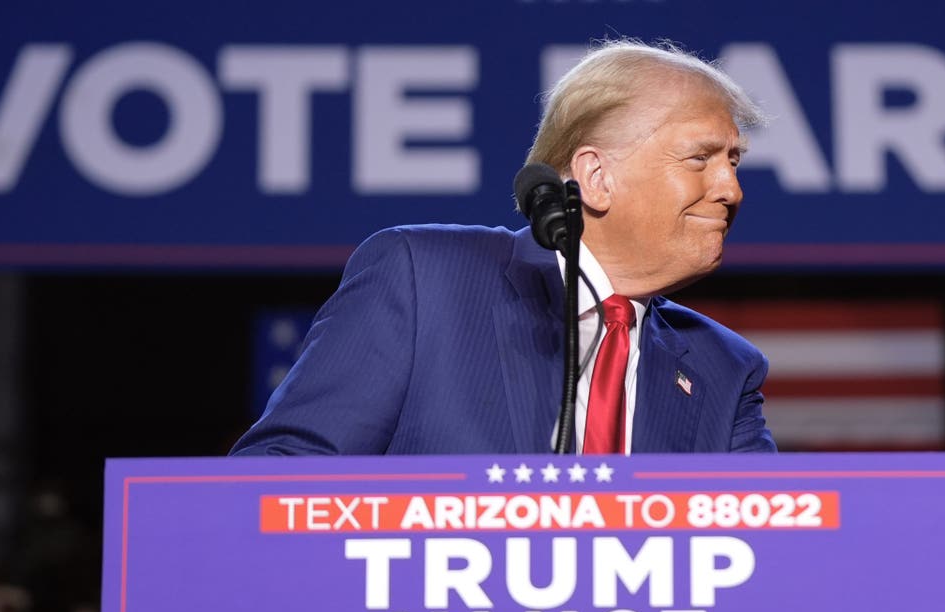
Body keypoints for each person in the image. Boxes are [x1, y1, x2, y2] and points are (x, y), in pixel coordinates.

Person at [230, 39, 776, 456]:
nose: (731, 189)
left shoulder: (724, 368)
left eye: (734, 162)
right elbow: (282, 478)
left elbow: (771, 548)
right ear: (596, 176)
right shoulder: (424, 283)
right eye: (700, 159)